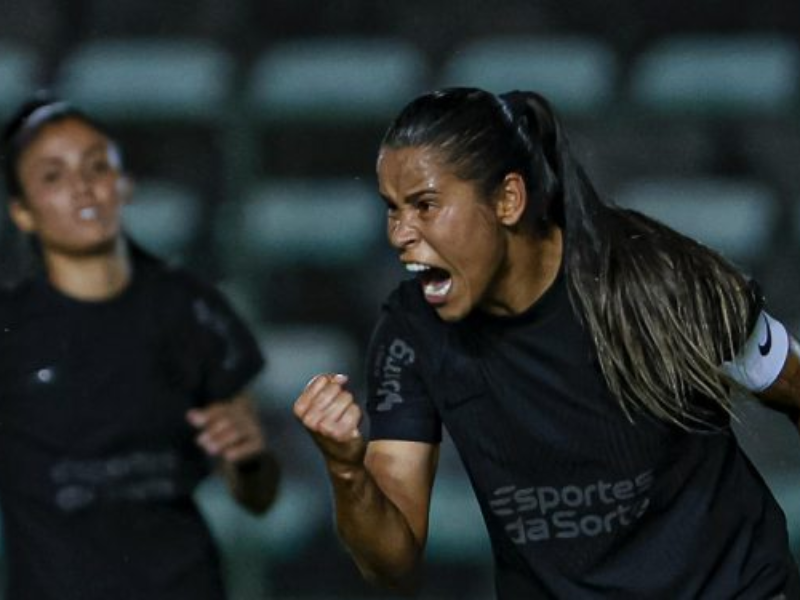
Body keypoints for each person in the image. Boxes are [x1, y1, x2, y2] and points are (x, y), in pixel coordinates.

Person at [294, 87, 800, 599]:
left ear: (508, 200)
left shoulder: (657, 284)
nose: (400, 233)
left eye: (425, 205)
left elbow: (793, 384)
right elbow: (391, 566)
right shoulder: (411, 330)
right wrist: (345, 468)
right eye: (392, 208)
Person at [0, 96, 280, 600]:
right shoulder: (10, 329)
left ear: (123, 182)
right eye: (52, 177)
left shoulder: (190, 308)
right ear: (21, 212)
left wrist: (248, 455)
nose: (83, 187)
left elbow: (257, 495)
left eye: (97, 166)